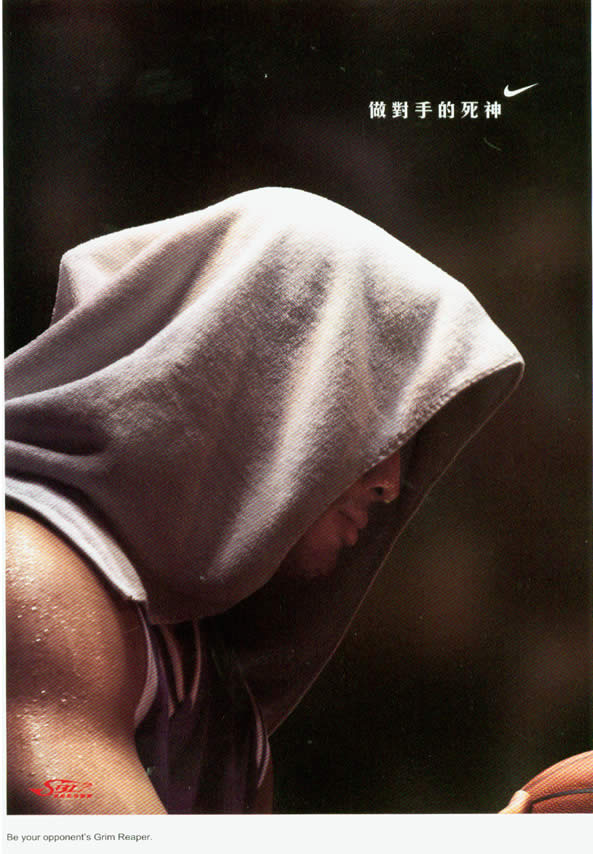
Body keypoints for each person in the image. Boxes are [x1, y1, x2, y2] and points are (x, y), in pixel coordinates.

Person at [6, 187, 524, 813]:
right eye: (358, 397)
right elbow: (85, 826)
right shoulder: (31, 573)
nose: (391, 480)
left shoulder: (222, 697)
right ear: (256, 385)